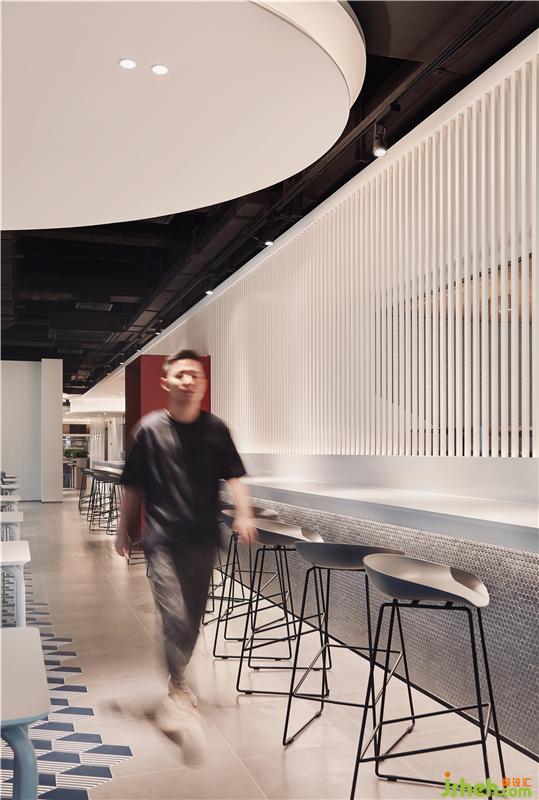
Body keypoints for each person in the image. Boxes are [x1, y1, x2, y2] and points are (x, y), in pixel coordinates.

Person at [115, 348, 256, 748]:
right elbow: (133, 485)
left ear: (203, 383)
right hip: (161, 540)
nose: (188, 380)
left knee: (192, 620)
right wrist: (124, 530)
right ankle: (177, 688)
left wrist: (244, 513)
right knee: (173, 613)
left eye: (195, 374)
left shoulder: (216, 430)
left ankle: (176, 684)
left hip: (202, 539)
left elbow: (235, 477)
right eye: (181, 374)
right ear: (166, 382)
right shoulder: (149, 430)